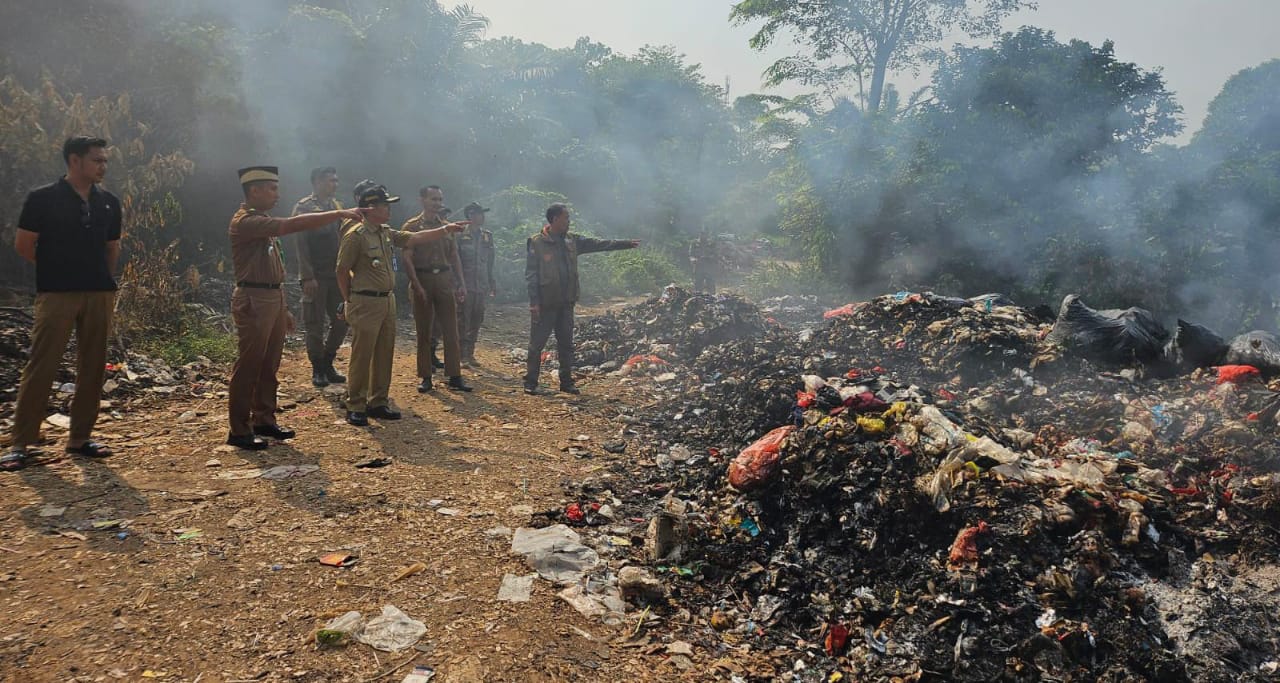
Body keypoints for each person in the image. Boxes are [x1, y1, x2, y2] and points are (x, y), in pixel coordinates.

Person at [225, 166, 368, 451]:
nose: (277, 194)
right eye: (272, 188)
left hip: (271, 297)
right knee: (250, 364)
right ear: (254, 191)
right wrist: (339, 214)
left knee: (270, 363)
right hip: (254, 298)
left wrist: (284, 307)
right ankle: (239, 429)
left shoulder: (261, 219)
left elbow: (273, 267)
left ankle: (264, 419)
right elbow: (291, 226)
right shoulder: (247, 221)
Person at [3, 136, 123, 471]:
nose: (103, 166)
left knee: (93, 365)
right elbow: (24, 245)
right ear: (74, 160)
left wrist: (101, 279)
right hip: (57, 293)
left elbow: (112, 246)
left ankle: (80, 438)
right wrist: (58, 271)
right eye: (97, 160)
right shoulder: (43, 199)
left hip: (98, 293)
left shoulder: (109, 202)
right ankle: (21, 442)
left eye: (104, 161)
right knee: (42, 363)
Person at [336, 184, 467, 426]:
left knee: (384, 353)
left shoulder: (385, 232)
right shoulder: (356, 235)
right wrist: (348, 300)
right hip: (364, 300)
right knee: (362, 355)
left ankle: (378, 401)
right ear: (370, 208)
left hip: (387, 300)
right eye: (385, 206)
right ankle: (355, 404)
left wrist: (445, 229)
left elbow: (415, 238)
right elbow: (342, 271)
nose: (389, 210)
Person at [524, 203, 640, 395]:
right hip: (545, 303)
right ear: (554, 219)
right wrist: (534, 302)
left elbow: (600, 244)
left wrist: (625, 244)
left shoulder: (572, 241)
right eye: (566, 218)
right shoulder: (537, 242)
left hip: (566, 302)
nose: (569, 221)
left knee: (566, 345)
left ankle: (566, 382)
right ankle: (530, 382)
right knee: (537, 344)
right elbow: (531, 275)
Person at [402, 186, 471, 393]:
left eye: (440, 199)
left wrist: (461, 282)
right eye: (433, 199)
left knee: (451, 329)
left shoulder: (447, 228)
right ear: (422, 200)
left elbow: (454, 256)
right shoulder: (411, 226)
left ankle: (455, 375)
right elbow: (406, 256)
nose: (437, 203)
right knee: (424, 331)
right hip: (422, 278)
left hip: (443, 279)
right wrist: (415, 283)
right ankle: (425, 376)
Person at [291, 166, 348, 387]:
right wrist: (307, 276)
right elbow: (301, 245)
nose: (335, 184)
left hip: (336, 275)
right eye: (330, 181)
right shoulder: (304, 208)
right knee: (314, 324)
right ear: (316, 182)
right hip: (316, 275)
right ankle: (317, 368)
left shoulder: (336, 207)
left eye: (336, 180)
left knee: (342, 320)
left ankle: (328, 361)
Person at [455, 201, 497, 365]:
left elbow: (490, 262)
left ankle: (470, 353)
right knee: (462, 320)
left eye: (483, 213)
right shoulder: (459, 235)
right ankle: (461, 355)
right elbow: (454, 260)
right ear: (471, 216)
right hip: (465, 285)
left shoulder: (487, 236)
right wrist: (457, 284)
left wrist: (492, 281)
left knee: (477, 318)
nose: (483, 217)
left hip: (481, 285)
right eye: (479, 214)